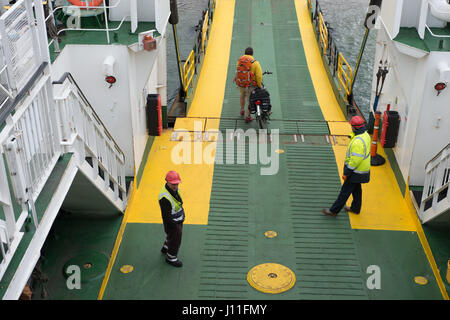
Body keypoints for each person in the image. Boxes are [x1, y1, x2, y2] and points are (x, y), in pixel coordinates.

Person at [322, 116, 371, 217]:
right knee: (357, 190)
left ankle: (334, 211)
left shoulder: (357, 141)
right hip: (363, 171)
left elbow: (354, 161)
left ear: (354, 127)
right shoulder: (366, 135)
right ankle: (356, 208)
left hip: (355, 172)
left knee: (345, 192)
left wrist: (346, 172)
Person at [159, 171, 185, 267]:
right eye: (173, 184)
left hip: (177, 219)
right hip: (172, 222)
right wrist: (174, 226)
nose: (175, 186)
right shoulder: (164, 198)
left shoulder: (172, 190)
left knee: (171, 235)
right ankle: (171, 257)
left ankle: (166, 246)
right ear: (167, 182)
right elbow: (166, 215)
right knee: (176, 238)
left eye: (176, 184)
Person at [235, 47, 263, 123]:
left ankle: (242, 110)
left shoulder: (240, 61)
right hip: (250, 85)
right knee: (250, 100)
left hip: (241, 83)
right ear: (252, 54)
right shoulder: (255, 63)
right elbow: (259, 76)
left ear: (245, 53)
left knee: (242, 95)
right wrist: (259, 84)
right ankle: (248, 116)